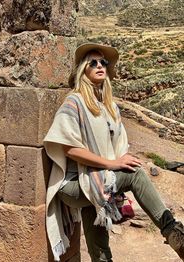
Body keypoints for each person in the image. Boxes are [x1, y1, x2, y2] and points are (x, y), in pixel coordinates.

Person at [43, 42, 184, 262]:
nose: (100, 65)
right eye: (93, 63)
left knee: (96, 220)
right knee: (134, 174)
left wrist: (116, 162)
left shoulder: (108, 107)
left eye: (104, 62)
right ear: (83, 70)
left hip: (94, 180)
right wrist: (112, 164)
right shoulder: (75, 102)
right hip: (73, 184)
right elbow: (69, 148)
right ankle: (174, 233)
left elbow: (119, 145)